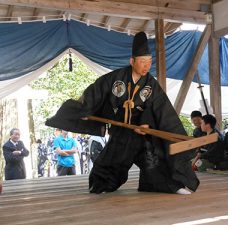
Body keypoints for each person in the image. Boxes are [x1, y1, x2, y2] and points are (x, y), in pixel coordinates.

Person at [46, 31, 199, 195]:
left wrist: (146, 122)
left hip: (142, 132)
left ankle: (171, 186)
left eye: (149, 61)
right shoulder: (115, 78)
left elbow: (161, 108)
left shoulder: (150, 84)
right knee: (112, 160)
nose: (147, 66)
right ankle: (101, 185)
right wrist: (86, 109)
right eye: (143, 61)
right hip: (121, 131)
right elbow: (96, 93)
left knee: (154, 159)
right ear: (132, 61)